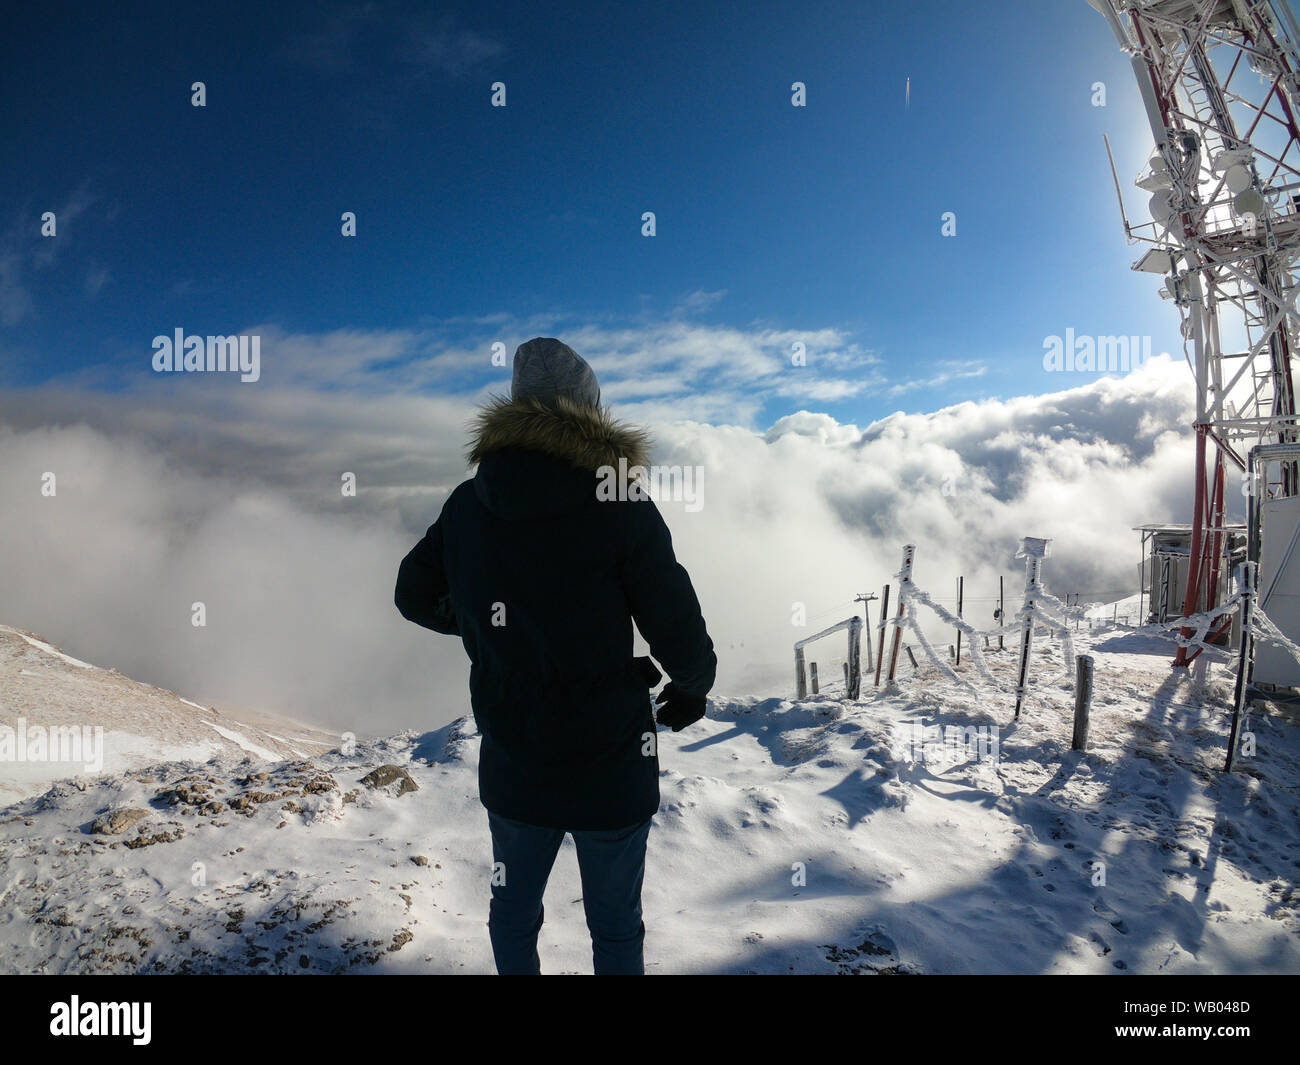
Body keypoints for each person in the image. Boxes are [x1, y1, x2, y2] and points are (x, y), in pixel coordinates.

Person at [395, 337, 717, 975]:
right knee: (616, 923)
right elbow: (672, 620)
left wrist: (491, 636)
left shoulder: (467, 503)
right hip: (611, 760)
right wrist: (691, 688)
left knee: (513, 912)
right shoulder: (620, 501)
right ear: (591, 412)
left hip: (515, 755)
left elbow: (412, 594)